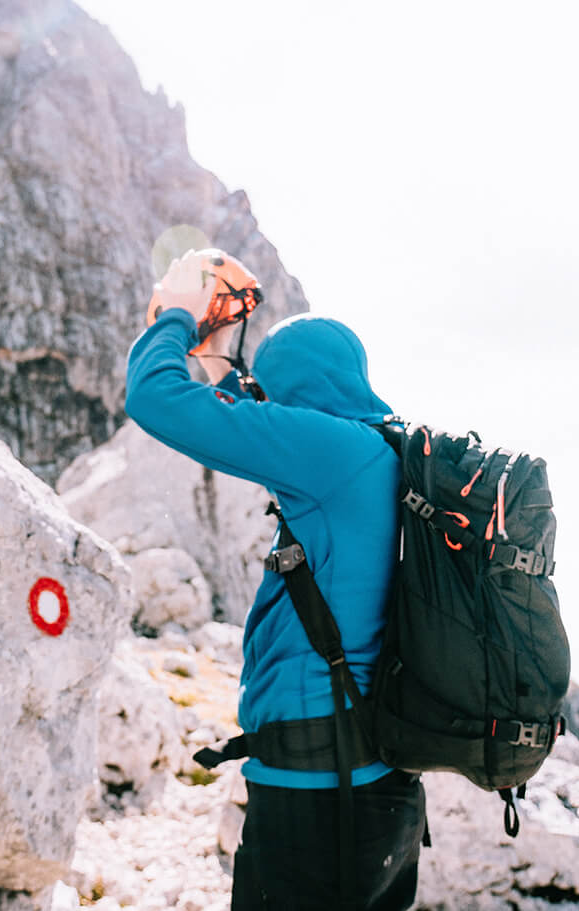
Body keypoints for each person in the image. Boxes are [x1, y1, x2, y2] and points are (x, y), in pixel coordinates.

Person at [124, 249, 426, 911]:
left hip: (319, 798)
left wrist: (178, 317)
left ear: (294, 387)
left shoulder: (331, 453)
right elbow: (256, 423)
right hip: (382, 789)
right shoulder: (378, 451)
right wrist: (219, 358)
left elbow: (152, 398)